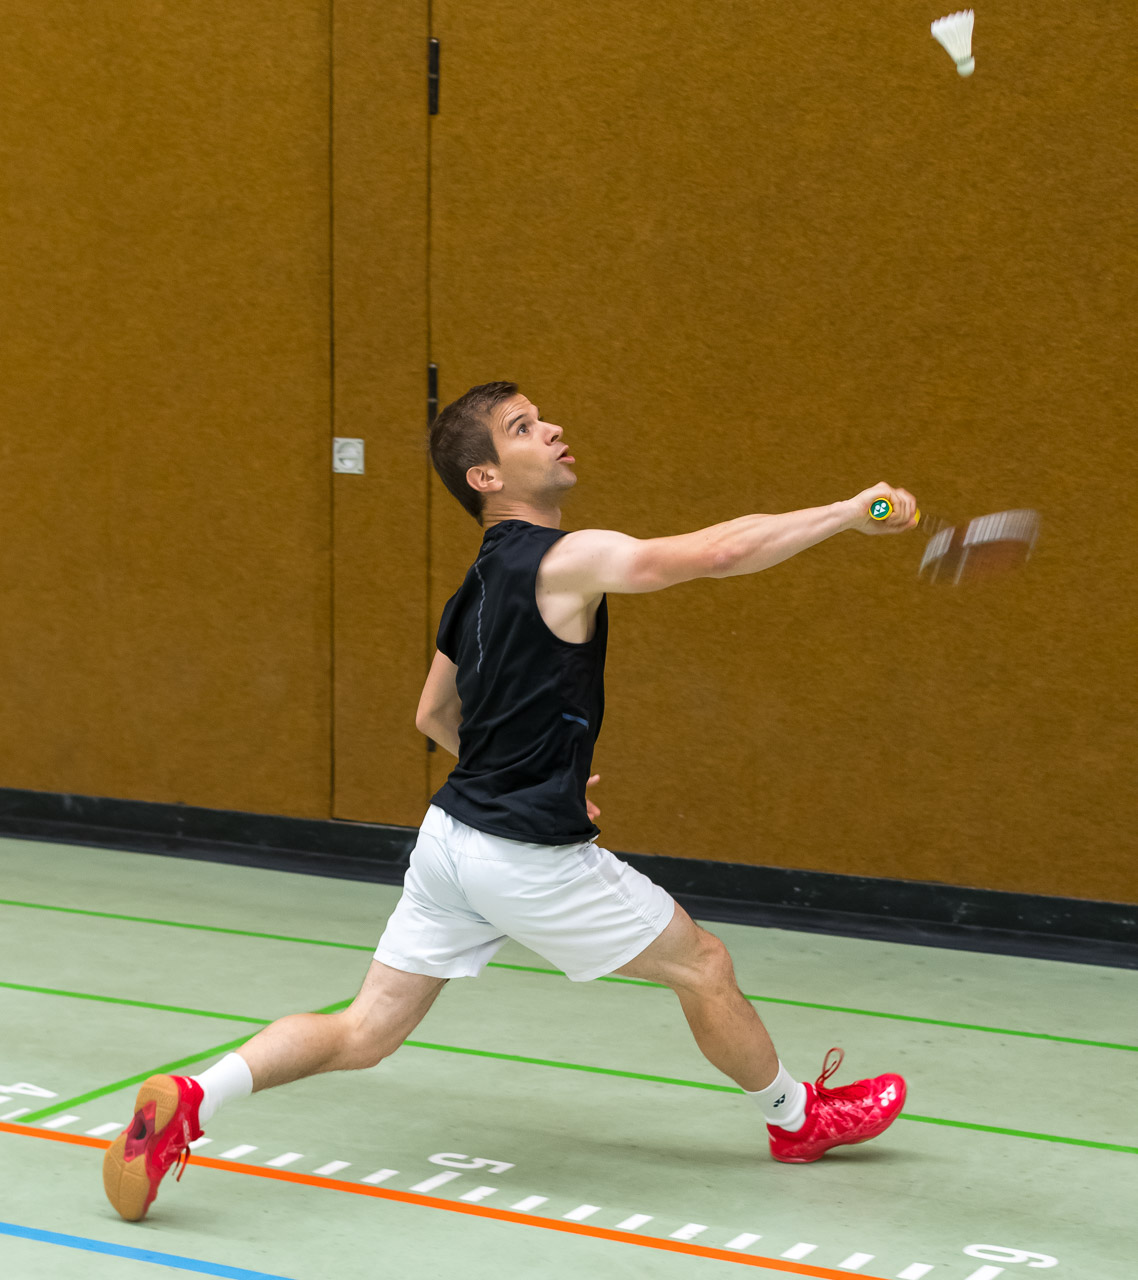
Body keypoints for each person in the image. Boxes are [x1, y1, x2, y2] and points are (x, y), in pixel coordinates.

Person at [103, 381, 920, 1222]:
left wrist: (529, 771)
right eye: (523, 427)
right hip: (523, 856)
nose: (553, 428)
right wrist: (847, 512)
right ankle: (796, 1119)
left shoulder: (477, 586)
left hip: (450, 842)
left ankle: (195, 1096)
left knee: (365, 1031)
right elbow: (717, 553)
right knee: (703, 964)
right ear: (485, 477)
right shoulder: (562, 560)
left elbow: (433, 714)